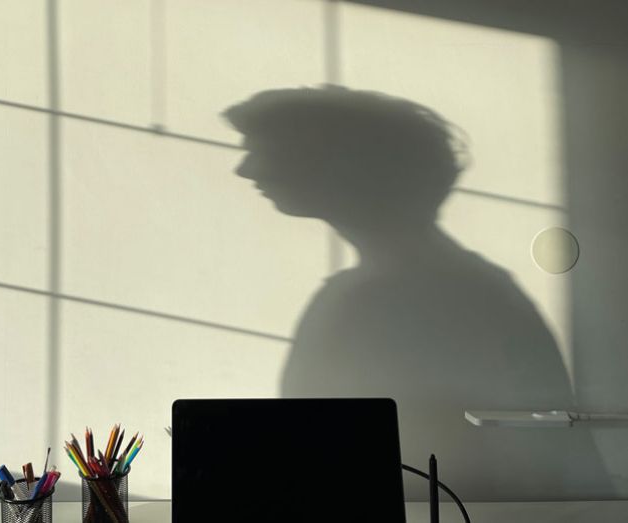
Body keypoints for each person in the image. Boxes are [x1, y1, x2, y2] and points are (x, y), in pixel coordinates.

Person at [222, 87, 612, 500]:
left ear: (342, 165)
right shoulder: (458, 290)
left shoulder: (431, 298)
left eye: (269, 151)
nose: (245, 170)